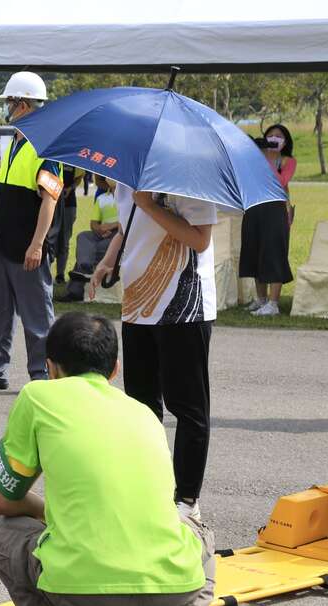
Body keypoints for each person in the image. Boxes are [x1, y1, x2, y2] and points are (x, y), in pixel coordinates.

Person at [0, 313, 215, 606]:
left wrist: (48, 514)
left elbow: (3, 502)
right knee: (199, 530)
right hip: (173, 591)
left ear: (51, 368)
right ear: (115, 369)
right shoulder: (144, 413)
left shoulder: (38, 395)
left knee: (1, 533)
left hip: (82, 595)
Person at [90, 184, 217, 521]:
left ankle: (187, 499)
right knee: (141, 404)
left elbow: (200, 239)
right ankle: (149, 487)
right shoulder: (127, 175)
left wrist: (149, 204)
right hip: (137, 304)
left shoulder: (188, 176)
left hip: (183, 306)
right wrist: (107, 260)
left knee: (186, 405)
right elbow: (127, 225)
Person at [0, 71, 61, 390]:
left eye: (11, 103)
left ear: (24, 105)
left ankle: (42, 374)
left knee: (37, 318)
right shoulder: (17, 142)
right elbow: (2, 180)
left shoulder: (46, 147)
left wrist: (37, 245)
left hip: (26, 246)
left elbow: (50, 200)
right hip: (3, 244)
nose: (7, 109)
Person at [240, 124, 296, 317]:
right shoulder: (256, 160)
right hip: (254, 208)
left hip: (275, 211)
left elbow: (280, 183)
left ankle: (273, 304)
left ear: (285, 140)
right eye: (270, 135)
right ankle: (261, 299)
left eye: (278, 136)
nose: (274, 138)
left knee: (274, 255)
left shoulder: (288, 161)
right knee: (255, 253)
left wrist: (270, 160)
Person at [58, 175, 120, 302]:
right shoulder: (102, 198)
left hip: (119, 234)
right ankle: (85, 268)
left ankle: (75, 290)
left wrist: (112, 226)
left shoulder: (130, 200)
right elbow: (93, 224)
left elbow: (130, 222)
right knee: (83, 236)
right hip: (102, 234)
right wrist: (100, 229)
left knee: (94, 249)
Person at [46, 165, 80, 284]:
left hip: (69, 204)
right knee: (50, 239)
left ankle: (60, 274)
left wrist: (70, 189)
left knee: (64, 241)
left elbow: (78, 178)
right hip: (51, 203)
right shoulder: (53, 156)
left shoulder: (75, 156)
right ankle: (46, 273)